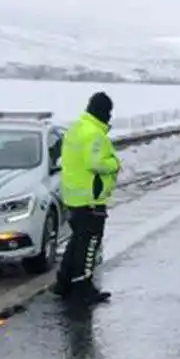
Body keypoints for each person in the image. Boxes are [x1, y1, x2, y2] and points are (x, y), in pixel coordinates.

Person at [53, 91, 120, 305]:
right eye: (108, 112)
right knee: (90, 242)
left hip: (74, 195)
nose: (109, 117)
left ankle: (64, 283)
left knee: (77, 240)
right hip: (91, 198)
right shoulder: (94, 134)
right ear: (103, 112)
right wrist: (115, 164)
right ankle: (83, 286)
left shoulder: (77, 128)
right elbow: (96, 163)